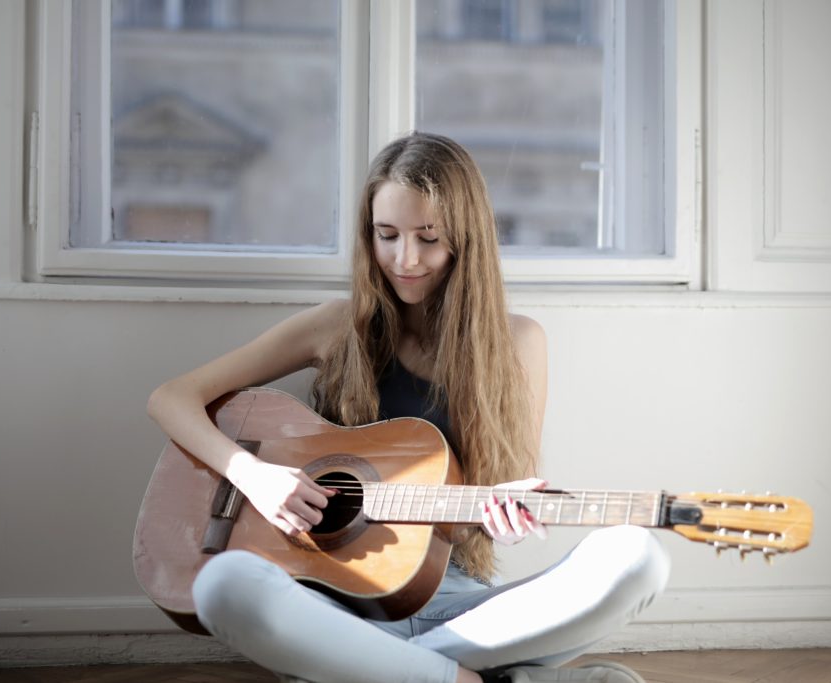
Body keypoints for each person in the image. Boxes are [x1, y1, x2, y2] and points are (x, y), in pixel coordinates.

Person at [146, 132, 670, 683]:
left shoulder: (519, 343)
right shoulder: (334, 327)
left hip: (461, 607)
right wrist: (252, 475)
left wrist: (505, 519)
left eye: (428, 238)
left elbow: (508, 495)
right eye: (387, 235)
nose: (405, 259)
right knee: (223, 587)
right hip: (332, 607)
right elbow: (172, 398)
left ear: (465, 239)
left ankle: (387, 672)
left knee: (638, 557)